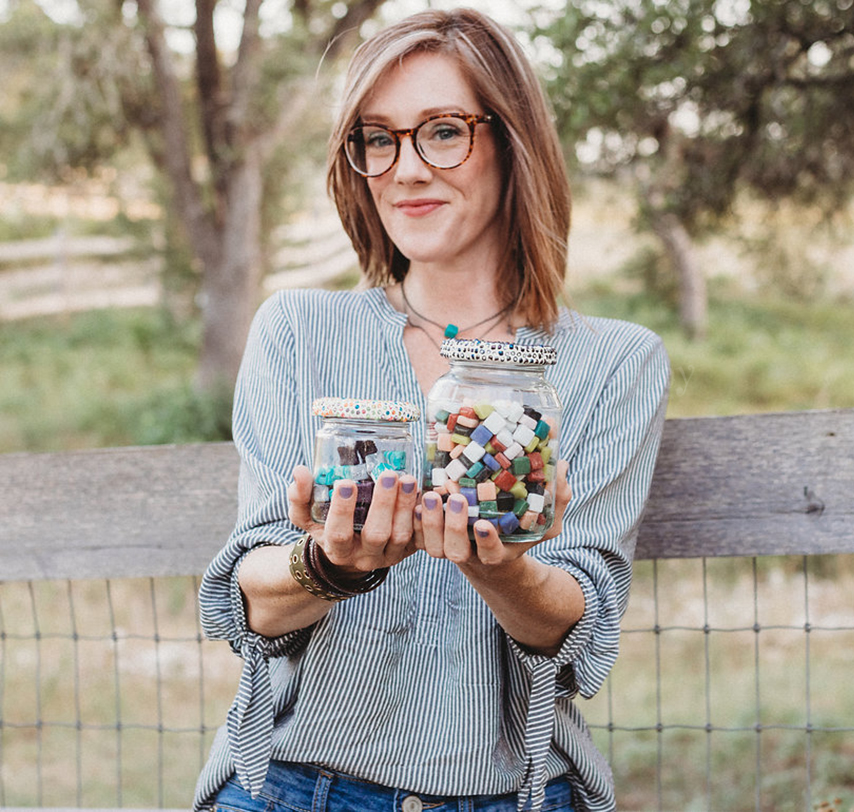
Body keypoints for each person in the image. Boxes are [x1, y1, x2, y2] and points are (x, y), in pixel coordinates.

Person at [194, 8, 669, 812]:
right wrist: (333, 565)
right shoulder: (300, 332)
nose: (405, 169)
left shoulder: (614, 363)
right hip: (290, 787)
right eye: (377, 138)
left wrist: (504, 571)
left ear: (511, 141)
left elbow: (581, 632)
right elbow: (249, 597)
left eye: (442, 131)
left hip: (511, 796)